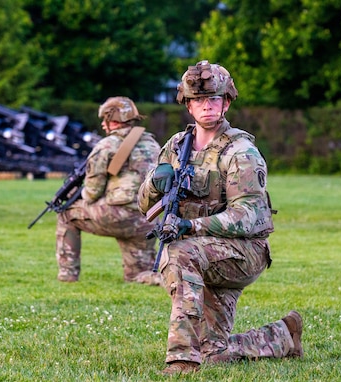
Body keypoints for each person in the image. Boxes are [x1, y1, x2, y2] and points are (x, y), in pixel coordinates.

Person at [137, 60, 303, 375]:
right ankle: (285, 336)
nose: (207, 106)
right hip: (203, 254)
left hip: (243, 252)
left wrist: (190, 225)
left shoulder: (240, 151)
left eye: (214, 99)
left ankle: (181, 360)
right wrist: (153, 185)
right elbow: (142, 207)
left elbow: (249, 216)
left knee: (179, 254)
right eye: (198, 100)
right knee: (213, 352)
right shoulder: (176, 145)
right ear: (188, 105)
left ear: (226, 102)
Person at [55, 96, 162, 286]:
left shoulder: (107, 145)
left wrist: (75, 196)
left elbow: (92, 193)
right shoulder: (152, 143)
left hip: (118, 215)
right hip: (148, 219)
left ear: (110, 120)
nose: (103, 125)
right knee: (138, 275)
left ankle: (67, 275)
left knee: (66, 215)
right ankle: (164, 279)